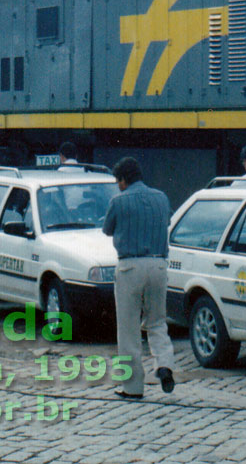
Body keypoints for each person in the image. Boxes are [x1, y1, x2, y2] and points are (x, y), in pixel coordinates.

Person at [102, 157, 175, 399]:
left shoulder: (118, 200)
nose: (118, 185)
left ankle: (132, 387)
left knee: (128, 328)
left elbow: (107, 229)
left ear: (123, 179)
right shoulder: (161, 197)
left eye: (118, 181)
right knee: (157, 321)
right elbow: (167, 222)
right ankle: (164, 364)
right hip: (158, 264)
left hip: (129, 267)